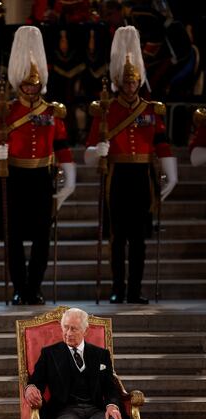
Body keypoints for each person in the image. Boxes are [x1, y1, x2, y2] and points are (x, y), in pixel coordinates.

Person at [0, 25, 76, 306]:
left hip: (41, 177)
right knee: (13, 239)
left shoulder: (51, 111)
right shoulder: (6, 111)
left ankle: (35, 287)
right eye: (27, 83)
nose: (31, 88)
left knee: (41, 238)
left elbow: (62, 147)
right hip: (13, 177)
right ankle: (20, 287)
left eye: (35, 84)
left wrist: (70, 180)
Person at [84, 25, 178, 304]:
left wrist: (172, 175)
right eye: (125, 82)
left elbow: (161, 143)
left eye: (134, 82)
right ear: (118, 82)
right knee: (117, 238)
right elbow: (89, 150)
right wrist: (97, 151)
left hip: (142, 177)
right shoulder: (106, 110)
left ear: (139, 82)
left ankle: (135, 289)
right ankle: (118, 288)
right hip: (117, 176)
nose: (130, 86)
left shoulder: (151, 110)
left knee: (139, 239)